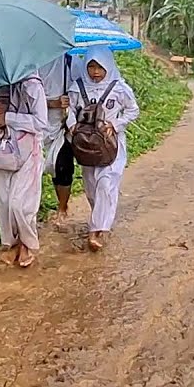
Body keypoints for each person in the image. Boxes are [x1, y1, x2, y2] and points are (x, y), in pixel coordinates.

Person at [0, 73, 48, 268]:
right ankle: (12, 243)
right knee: (4, 203)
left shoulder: (32, 85)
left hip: (28, 151)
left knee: (21, 204)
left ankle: (27, 244)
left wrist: (8, 118)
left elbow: (40, 122)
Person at [67, 47, 139, 252]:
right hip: (86, 145)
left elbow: (133, 110)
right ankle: (99, 217)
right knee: (91, 186)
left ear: (108, 66)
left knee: (106, 183)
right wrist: (72, 124)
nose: (95, 72)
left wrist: (115, 125)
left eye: (100, 67)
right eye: (91, 67)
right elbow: (70, 109)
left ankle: (97, 229)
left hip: (111, 144)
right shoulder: (77, 87)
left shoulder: (119, 88)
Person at [38, 55, 74, 225]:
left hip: (60, 126)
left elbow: (82, 89)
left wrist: (69, 102)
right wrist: (50, 103)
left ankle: (62, 207)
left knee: (62, 168)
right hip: (31, 127)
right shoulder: (28, 61)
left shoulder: (69, 60)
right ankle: (33, 211)